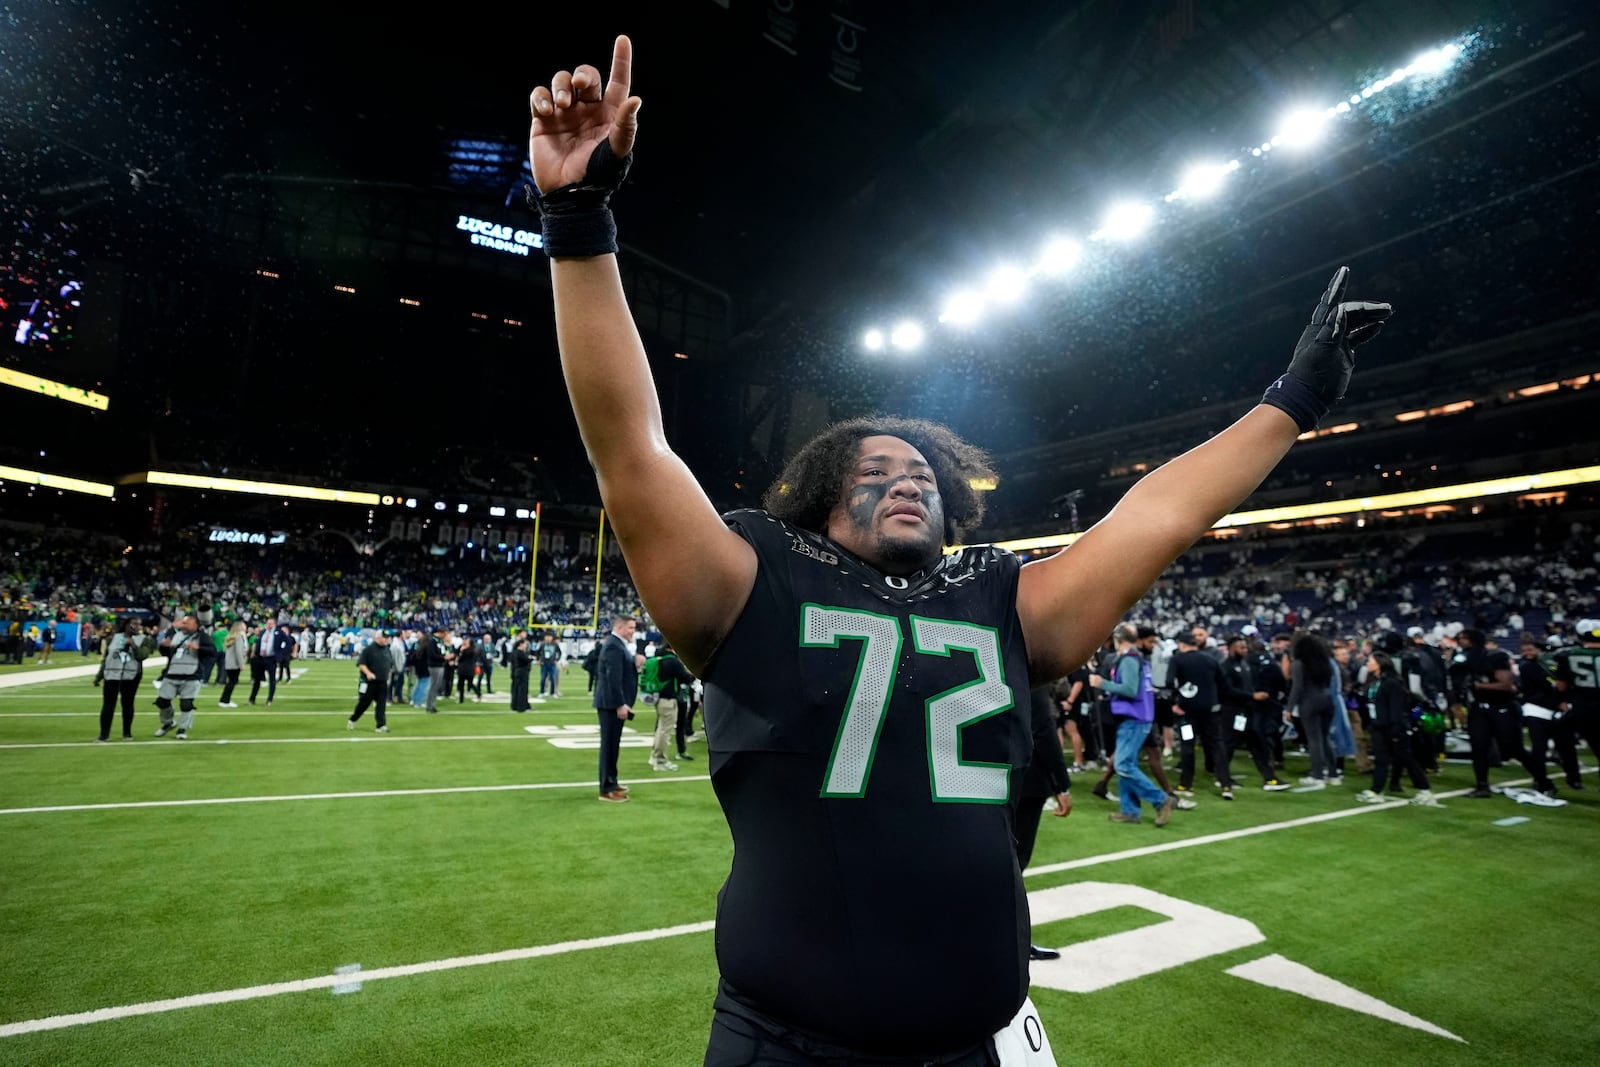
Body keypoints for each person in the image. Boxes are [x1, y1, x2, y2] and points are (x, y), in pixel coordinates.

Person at [529, 33, 1389, 1064]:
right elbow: (631, 450)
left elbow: (1152, 517)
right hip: (785, 1040)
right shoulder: (754, 576)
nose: (906, 476)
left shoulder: (1000, 597)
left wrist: (1291, 401)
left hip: (973, 1041)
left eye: (924, 472)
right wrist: (578, 222)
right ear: (813, 497)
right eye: (876, 465)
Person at [1091, 624, 1180, 826]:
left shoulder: (1129, 660)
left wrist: (1101, 683)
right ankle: (1130, 811)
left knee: (1122, 765)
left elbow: (1129, 690)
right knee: (1127, 765)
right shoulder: (1138, 658)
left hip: (1134, 718)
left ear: (1117, 640)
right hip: (1138, 716)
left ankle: (1161, 799)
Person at [1453, 627, 1547, 798]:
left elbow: (1505, 684)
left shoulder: (1495, 656)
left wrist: (1478, 686)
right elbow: (1457, 682)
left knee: (1514, 748)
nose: (1459, 641)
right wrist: (1458, 702)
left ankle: (1544, 781)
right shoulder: (1463, 658)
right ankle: (1482, 786)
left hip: (1502, 706)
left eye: (1463, 638)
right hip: (1479, 706)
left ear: (1472, 639)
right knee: (1478, 748)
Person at [1013, 687, 1072, 961]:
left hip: (979, 780)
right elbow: (1044, 731)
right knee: (1013, 867)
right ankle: (1013, 944)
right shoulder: (1031, 679)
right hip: (1025, 782)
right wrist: (1062, 783)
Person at [1353, 650, 1441, 806]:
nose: (1367, 664)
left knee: (1408, 759)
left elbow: (1396, 709)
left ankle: (1425, 791)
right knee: (1381, 760)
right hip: (1378, 726)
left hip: (1393, 728)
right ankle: (1376, 790)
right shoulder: (1375, 681)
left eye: (1370, 661)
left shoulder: (1392, 683)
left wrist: (1396, 730)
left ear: (1380, 664)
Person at [591, 616, 639, 802]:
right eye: (630, 628)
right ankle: (606, 788)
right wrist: (620, 703)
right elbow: (613, 678)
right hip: (611, 704)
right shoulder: (613, 645)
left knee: (613, 745)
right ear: (619, 627)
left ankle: (612, 780)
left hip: (613, 703)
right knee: (609, 746)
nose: (633, 631)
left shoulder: (617, 644)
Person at [153, 612, 216, 740]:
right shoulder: (175, 635)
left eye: (188, 622)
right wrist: (163, 647)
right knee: (162, 701)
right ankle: (168, 722)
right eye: (184, 622)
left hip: (192, 674)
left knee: (186, 704)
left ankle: (182, 729)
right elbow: (168, 653)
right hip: (172, 672)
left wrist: (198, 648)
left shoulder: (202, 637)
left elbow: (212, 652)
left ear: (196, 624)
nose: (184, 624)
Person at [1286, 631, 1338, 787]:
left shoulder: (1298, 664)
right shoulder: (1325, 663)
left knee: (1313, 739)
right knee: (1325, 737)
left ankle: (1317, 775)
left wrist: (1289, 708)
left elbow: (1297, 687)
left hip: (1309, 702)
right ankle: (1333, 774)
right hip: (1327, 699)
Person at [95, 618, 148, 741]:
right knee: (108, 705)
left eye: (139, 624)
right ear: (126, 625)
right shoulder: (112, 638)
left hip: (131, 676)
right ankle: (104, 734)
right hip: (112, 675)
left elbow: (142, 656)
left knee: (128, 704)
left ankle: (127, 732)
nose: (137, 626)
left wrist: (133, 645)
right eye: (134, 624)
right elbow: (106, 659)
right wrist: (99, 676)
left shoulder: (144, 639)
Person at [647, 641, 698, 769]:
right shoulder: (673, 661)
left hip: (660, 698)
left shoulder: (660, 659)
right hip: (669, 699)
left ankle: (654, 756)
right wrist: (693, 674)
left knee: (660, 729)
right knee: (665, 731)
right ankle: (660, 760)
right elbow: (686, 678)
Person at [347, 630, 393, 733]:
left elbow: (389, 665)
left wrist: (389, 676)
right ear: (377, 638)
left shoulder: (387, 649)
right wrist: (368, 673)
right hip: (370, 683)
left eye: (387, 637)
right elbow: (361, 664)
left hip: (382, 683)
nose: (386, 639)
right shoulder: (369, 650)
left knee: (381, 705)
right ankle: (353, 719)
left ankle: (380, 725)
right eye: (384, 637)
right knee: (364, 704)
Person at [249, 618, 280, 706]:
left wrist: (279, 655)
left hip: (271, 659)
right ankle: (252, 699)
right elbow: (257, 642)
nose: (269, 625)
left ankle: (269, 699)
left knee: (272, 680)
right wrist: (254, 652)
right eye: (268, 623)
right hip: (261, 658)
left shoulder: (278, 633)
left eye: (271, 623)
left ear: (274, 624)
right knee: (257, 680)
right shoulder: (262, 632)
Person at [218, 621, 248, 707]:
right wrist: (241, 663)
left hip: (229, 663)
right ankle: (225, 701)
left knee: (230, 682)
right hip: (234, 664)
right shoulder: (238, 637)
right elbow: (238, 652)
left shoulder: (230, 637)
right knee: (232, 682)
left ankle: (224, 700)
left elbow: (225, 650)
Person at [509, 635, 534, 712]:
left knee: (516, 689)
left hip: (517, 672)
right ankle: (521, 707)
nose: (526, 646)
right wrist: (531, 658)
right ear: (521, 644)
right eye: (525, 644)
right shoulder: (520, 652)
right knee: (522, 690)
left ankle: (515, 705)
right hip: (522, 673)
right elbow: (526, 660)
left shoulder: (515, 652)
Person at [456, 636, 482, 702]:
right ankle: (478, 693)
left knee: (462, 684)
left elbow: (460, 659)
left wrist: (461, 652)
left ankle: (461, 700)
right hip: (470, 669)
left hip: (464, 669)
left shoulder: (467, 651)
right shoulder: (474, 650)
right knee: (470, 684)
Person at [538, 631, 564, 698]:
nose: (548, 638)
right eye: (547, 637)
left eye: (550, 637)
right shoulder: (543, 644)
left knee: (553, 678)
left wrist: (557, 660)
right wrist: (540, 660)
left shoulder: (555, 644)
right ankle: (542, 692)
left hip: (552, 664)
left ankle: (553, 693)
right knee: (543, 678)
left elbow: (559, 653)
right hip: (544, 664)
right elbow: (537, 652)